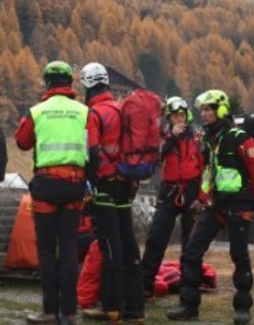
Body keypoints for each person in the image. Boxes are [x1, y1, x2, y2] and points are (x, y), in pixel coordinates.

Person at [166, 90, 254, 325]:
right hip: (216, 205)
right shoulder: (209, 140)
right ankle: (189, 305)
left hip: (238, 203)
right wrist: (201, 197)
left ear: (220, 110)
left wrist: (253, 199)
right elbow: (208, 172)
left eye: (208, 109)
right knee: (191, 252)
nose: (204, 114)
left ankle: (242, 308)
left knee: (239, 256)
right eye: (202, 110)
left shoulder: (239, 137)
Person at [15, 61, 98, 325]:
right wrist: (91, 185)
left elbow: (22, 141)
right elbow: (93, 151)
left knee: (47, 250)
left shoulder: (37, 111)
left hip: (46, 187)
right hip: (74, 187)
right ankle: (70, 313)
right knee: (70, 246)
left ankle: (49, 312)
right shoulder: (85, 112)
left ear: (48, 83)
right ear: (70, 83)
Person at [78, 62, 144, 324]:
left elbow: (91, 152)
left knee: (110, 248)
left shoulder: (94, 113)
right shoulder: (122, 109)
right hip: (125, 186)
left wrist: (90, 184)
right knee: (129, 246)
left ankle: (111, 308)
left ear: (87, 86)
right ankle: (135, 309)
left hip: (104, 186)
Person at [139, 96, 204, 297]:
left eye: (182, 116)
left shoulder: (197, 139)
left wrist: (201, 196)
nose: (179, 120)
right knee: (156, 239)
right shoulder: (163, 139)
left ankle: (188, 288)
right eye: (175, 116)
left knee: (191, 243)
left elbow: (205, 168)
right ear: (169, 118)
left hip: (191, 191)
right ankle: (144, 286)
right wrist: (172, 137)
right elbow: (156, 156)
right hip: (169, 191)